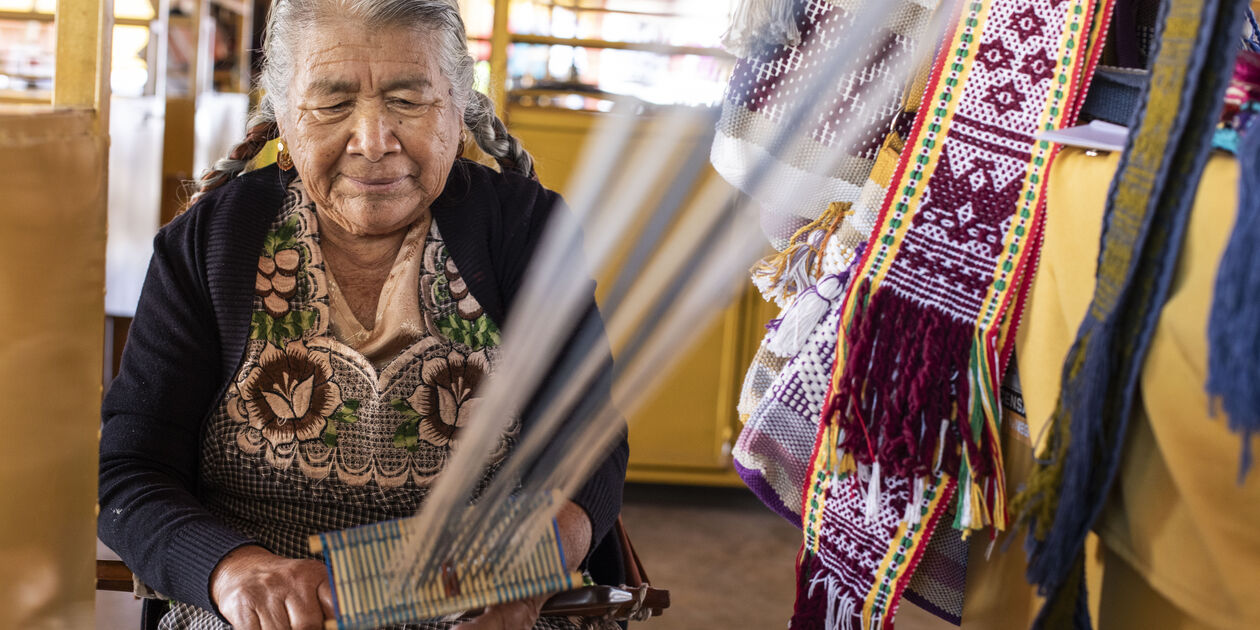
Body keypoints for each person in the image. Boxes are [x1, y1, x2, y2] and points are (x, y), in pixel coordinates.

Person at [97, 1, 628, 628]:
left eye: (408, 100)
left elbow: (589, 443)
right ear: (285, 119)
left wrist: (538, 553)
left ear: (458, 111)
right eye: (332, 104)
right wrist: (233, 570)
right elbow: (133, 469)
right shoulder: (211, 241)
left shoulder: (523, 229)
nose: (374, 141)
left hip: (478, 603)